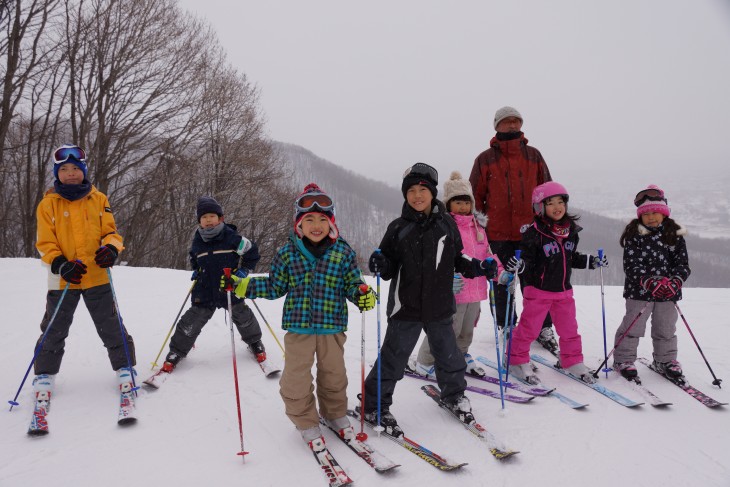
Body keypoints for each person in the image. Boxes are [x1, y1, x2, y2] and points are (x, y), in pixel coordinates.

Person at [225, 183, 375, 452]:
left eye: (322, 219)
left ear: (331, 223)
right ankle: (305, 420)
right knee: (296, 378)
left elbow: (353, 284)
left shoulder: (343, 252)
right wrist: (244, 286)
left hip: (332, 328)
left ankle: (334, 413)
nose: (316, 225)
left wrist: (363, 294)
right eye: (309, 220)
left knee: (334, 376)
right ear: (299, 225)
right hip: (299, 328)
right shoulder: (287, 253)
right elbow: (274, 286)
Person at [362, 163, 496, 436]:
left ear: (433, 193)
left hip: (440, 305)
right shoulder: (398, 228)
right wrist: (378, 263)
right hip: (406, 307)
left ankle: (454, 395)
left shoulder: (446, 224)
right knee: (393, 358)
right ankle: (374, 404)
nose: (417, 195)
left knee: (449, 356)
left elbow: (459, 258)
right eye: (411, 190)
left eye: (422, 189)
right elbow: (387, 267)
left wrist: (480, 267)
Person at [33, 144, 136, 402]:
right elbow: (45, 242)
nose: (70, 174)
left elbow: (110, 232)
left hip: (96, 275)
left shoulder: (98, 199)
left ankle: (125, 368)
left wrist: (111, 249)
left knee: (110, 324)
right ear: (57, 173)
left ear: (83, 171)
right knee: (54, 327)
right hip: (63, 278)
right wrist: (60, 264)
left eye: (75, 169)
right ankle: (44, 373)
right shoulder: (48, 204)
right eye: (64, 169)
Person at [468, 106, 558, 352]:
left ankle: (542, 326)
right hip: (497, 234)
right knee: (501, 281)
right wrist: (478, 228)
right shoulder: (485, 159)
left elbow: (547, 191)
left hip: (532, 233)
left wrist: (548, 222)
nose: (512, 126)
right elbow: (474, 196)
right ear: (496, 126)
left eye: (515, 121)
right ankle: (506, 325)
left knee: (536, 282)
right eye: (506, 122)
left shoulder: (534, 156)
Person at [505, 181, 607, 385]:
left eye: (561, 202)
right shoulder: (533, 233)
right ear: (539, 207)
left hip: (563, 292)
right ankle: (516, 361)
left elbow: (571, 257)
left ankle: (572, 361)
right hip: (538, 291)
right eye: (550, 203)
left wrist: (592, 262)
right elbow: (528, 260)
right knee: (529, 329)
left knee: (569, 330)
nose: (557, 207)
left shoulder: (570, 231)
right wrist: (520, 264)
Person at [412, 171, 504, 379]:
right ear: (448, 204)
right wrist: (447, 277)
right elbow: (441, 257)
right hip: (454, 290)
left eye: (466, 202)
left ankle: (461, 353)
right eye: (458, 202)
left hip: (477, 289)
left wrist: (499, 272)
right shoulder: (445, 226)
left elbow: (488, 253)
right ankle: (426, 361)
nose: (463, 207)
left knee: (467, 329)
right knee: (445, 329)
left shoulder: (478, 227)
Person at [159, 196, 266, 373]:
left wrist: (244, 270)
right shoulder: (197, 241)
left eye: (212, 216)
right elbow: (194, 257)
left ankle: (255, 342)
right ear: (199, 221)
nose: (208, 220)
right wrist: (197, 269)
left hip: (229, 285)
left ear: (220, 218)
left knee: (243, 316)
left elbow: (252, 251)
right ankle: (176, 351)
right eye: (204, 217)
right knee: (191, 321)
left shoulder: (232, 237)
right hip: (205, 288)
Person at [612, 185, 690, 380]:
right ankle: (624, 359)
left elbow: (682, 264)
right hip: (639, 292)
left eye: (656, 212)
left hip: (667, 293)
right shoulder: (634, 235)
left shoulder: (674, 234)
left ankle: (665, 360)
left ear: (664, 213)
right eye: (647, 214)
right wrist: (647, 281)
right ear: (640, 216)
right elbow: (631, 265)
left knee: (665, 327)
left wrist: (675, 282)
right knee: (633, 326)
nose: (652, 217)